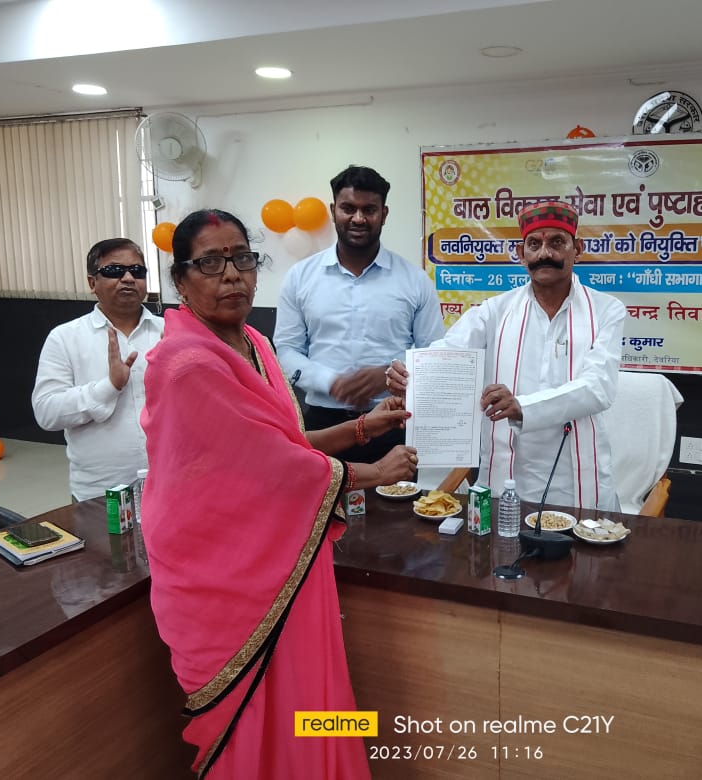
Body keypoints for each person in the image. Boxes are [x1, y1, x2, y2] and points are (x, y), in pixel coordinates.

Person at [140, 209, 415, 780]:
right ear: (180, 279)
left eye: (242, 258)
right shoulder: (187, 363)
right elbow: (277, 466)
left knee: (307, 693)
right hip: (223, 575)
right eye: (210, 263)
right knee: (250, 715)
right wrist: (373, 472)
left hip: (278, 554)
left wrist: (363, 426)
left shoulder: (255, 344)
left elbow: (283, 442)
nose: (231, 275)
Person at [390, 201, 626, 510]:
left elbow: (598, 387)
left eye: (557, 242)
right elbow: (448, 353)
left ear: (577, 249)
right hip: (508, 476)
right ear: (521, 253)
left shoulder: (606, 310)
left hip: (577, 478)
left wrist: (521, 406)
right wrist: (409, 376)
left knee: (584, 542)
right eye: (534, 244)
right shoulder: (494, 311)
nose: (545, 253)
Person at [274, 164, 445, 462]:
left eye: (369, 209)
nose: (358, 218)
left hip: (393, 423)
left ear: (384, 214)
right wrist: (331, 382)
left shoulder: (415, 280)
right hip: (323, 424)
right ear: (333, 210)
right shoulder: (300, 277)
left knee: (396, 494)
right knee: (320, 493)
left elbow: (434, 354)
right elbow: (287, 350)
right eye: (348, 208)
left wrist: (390, 375)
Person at [32, 238, 164, 501]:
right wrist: (109, 387)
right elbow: (47, 412)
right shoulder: (65, 338)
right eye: (115, 271)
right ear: (92, 283)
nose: (128, 278)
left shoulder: (168, 332)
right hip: (100, 493)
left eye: (137, 271)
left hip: (169, 484)